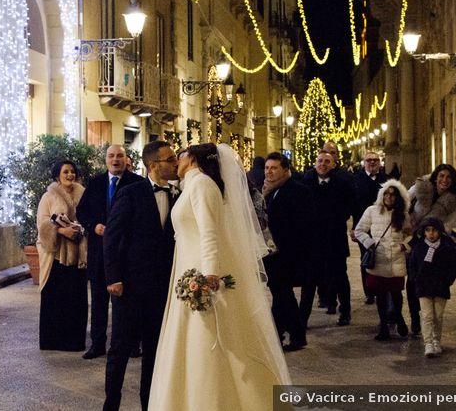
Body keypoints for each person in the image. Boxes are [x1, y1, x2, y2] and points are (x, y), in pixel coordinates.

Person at [149, 143, 290, 410]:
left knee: (206, 343)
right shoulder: (191, 184)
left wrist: (209, 275)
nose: (176, 159)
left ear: (193, 158)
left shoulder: (202, 184)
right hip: (186, 269)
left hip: (198, 272)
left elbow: (209, 233)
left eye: (181, 154)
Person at [102, 141, 178, 410]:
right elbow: (112, 237)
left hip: (162, 287)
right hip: (130, 286)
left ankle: (149, 403)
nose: (176, 162)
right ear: (154, 165)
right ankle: (111, 403)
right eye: (171, 159)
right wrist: (113, 278)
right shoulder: (131, 193)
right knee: (120, 348)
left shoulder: (178, 195)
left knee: (155, 349)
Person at [75, 145, 142, 359]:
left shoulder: (138, 184)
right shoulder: (95, 183)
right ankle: (97, 344)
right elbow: (81, 211)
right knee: (98, 302)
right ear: (105, 160)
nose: (115, 160)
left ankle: (130, 344)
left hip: (126, 255)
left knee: (127, 304)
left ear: (126, 159)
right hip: (99, 254)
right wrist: (94, 225)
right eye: (111, 156)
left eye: (120, 156)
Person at [35, 160, 88, 351]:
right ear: (58, 175)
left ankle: (75, 341)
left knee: (76, 299)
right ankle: (53, 340)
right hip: (57, 255)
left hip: (78, 254)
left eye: (72, 171)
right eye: (65, 171)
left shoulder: (83, 194)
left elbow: (89, 217)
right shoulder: (49, 197)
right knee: (56, 298)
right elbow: (42, 224)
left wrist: (80, 229)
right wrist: (60, 231)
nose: (69, 175)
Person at [406, 164, 456, 335]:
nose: (444, 180)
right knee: (412, 280)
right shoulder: (421, 188)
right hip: (411, 238)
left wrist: (431, 236)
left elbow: (448, 225)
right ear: (435, 177)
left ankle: (428, 315)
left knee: (428, 278)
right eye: (441, 176)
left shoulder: (453, 200)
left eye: (448, 177)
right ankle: (415, 317)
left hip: (432, 241)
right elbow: (404, 202)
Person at [262, 152, 312, 351]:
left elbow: (305, 224)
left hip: (289, 253)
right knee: (282, 294)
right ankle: (290, 334)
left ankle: (286, 334)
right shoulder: (268, 190)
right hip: (274, 254)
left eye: (274, 168)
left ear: (285, 169)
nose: (269, 172)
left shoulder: (298, 190)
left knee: (282, 294)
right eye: (267, 168)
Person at [300, 152, 355, 327]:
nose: (323, 164)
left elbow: (350, 205)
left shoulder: (342, 183)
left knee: (340, 277)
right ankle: (302, 318)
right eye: (320, 161)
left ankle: (345, 311)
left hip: (335, 238)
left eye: (327, 161)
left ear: (333, 164)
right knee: (309, 281)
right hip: (313, 241)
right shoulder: (306, 182)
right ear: (315, 163)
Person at [354, 179, 412, 340]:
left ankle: (399, 318)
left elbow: (410, 234)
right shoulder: (372, 211)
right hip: (379, 257)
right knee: (380, 294)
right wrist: (370, 243)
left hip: (395, 258)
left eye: (393, 195)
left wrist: (404, 246)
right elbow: (359, 230)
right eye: (386, 193)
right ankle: (383, 327)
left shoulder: (402, 215)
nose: (389, 197)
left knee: (396, 293)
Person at [409, 217, 456, 357]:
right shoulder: (419, 246)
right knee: (427, 316)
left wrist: (448, 281)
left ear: (440, 231)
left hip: (440, 287)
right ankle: (428, 343)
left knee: (438, 316)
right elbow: (412, 264)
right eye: (428, 230)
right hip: (423, 286)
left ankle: (437, 340)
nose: (431, 234)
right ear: (423, 232)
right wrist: (415, 279)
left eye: (434, 230)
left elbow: (454, 266)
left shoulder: (447, 247)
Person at [352, 152, 388, 304]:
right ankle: (369, 291)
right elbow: (353, 205)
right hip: (364, 226)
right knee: (366, 257)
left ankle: (382, 289)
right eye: (369, 160)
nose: (372, 163)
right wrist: (354, 228)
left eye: (375, 160)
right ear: (364, 163)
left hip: (383, 225)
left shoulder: (386, 180)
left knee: (383, 257)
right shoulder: (357, 180)